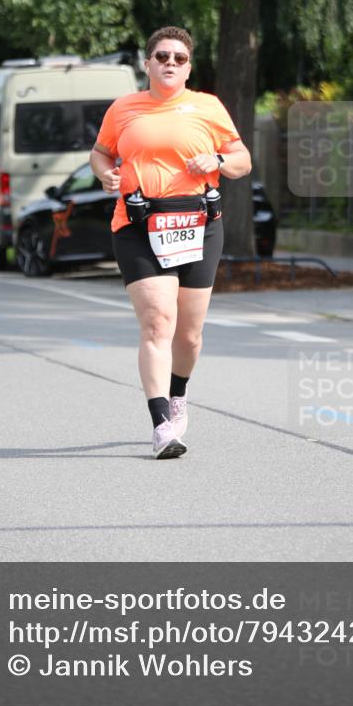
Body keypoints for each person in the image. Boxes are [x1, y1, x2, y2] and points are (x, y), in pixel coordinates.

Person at [89, 26, 251, 459]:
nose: (170, 64)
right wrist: (106, 173)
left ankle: (178, 393)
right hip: (139, 224)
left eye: (179, 58)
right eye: (162, 56)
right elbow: (101, 151)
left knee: (189, 335)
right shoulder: (124, 109)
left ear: (189, 66)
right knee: (158, 323)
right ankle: (161, 424)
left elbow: (242, 161)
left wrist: (217, 159)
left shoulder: (207, 107)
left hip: (197, 224)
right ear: (147, 63)